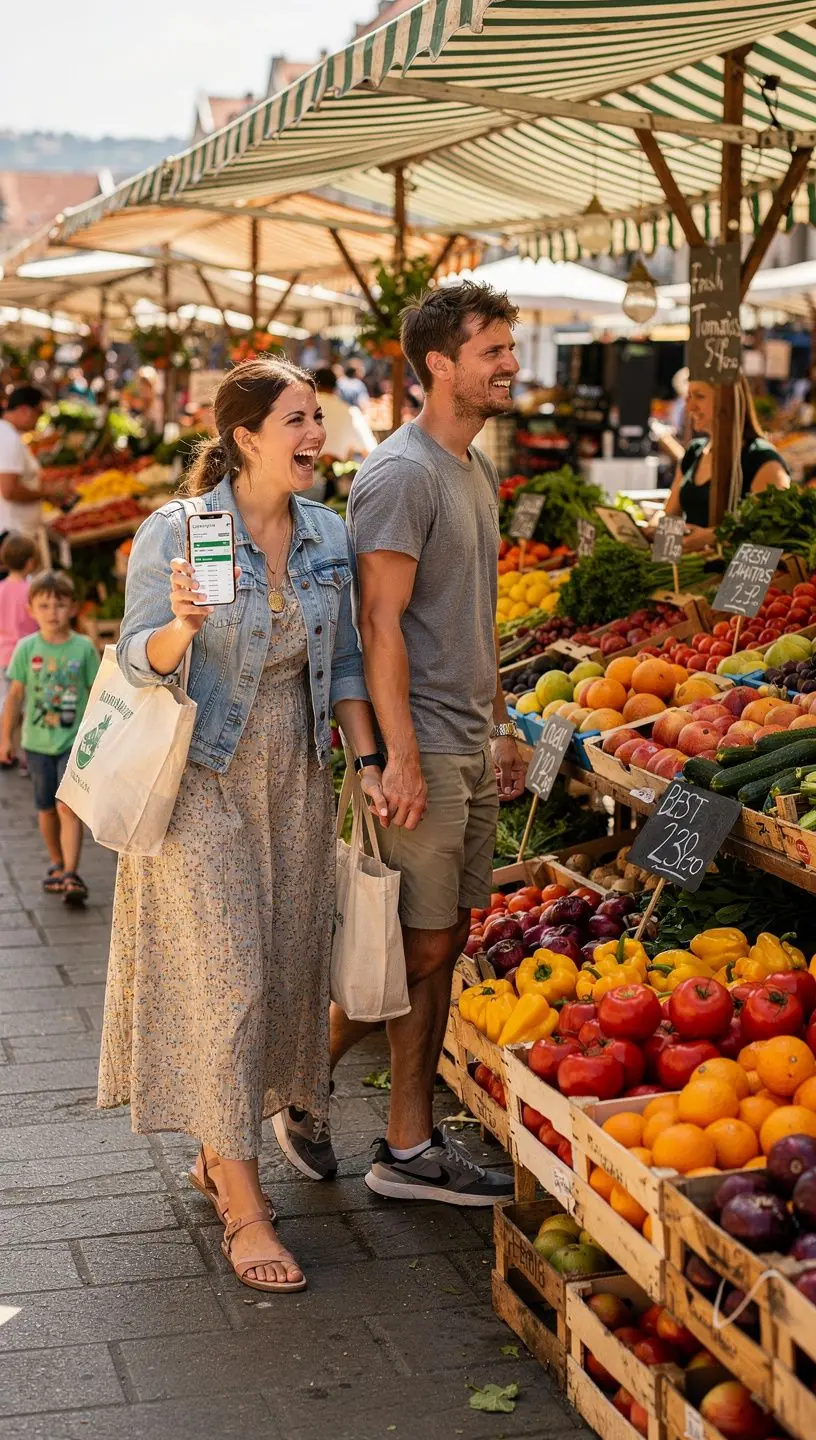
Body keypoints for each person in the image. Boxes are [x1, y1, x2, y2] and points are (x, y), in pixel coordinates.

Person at [98, 358, 388, 1295]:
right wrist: (181, 625)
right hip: (202, 780)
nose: (319, 437)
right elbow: (137, 660)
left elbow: (342, 662)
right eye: (300, 420)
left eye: (321, 419)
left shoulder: (328, 535)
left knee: (283, 968)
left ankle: (218, 1147)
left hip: (294, 778)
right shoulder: (179, 532)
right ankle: (245, 1205)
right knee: (232, 978)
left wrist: (368, 761)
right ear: (247, 437)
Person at [274, 281, 528, 1205]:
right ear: (438, 365)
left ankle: (407, 1146)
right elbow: (375, 625)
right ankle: (296, 1082)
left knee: (444, 943)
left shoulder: (474, 470)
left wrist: (496, 727)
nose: (509, 363)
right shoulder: (401, 472)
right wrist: (395, 756)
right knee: (411, 953)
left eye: (509, 346)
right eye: (492, 349)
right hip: (421, 748)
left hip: (467, 743)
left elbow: (474, 617)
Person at [0, 570, 98, 903]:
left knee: (66, 806)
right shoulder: (27, 649)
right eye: (44, 605)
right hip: (37, 743)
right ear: (31, 610)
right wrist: (5, 740)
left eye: (59, 604)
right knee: (45, 809)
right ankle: (56, 862)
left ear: (72, 608)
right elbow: (14, 696)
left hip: (75, 741)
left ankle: (72, 872)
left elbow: (97, 693)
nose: (52, 611)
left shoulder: (83, 648)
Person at [664, 374, 790, 551]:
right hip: (688, 571)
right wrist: (650, 533)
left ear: (729, 401)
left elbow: (770, 531)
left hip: (730, 576)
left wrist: (713, 537)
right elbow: (670, 516)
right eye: (689, 397)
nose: (690, 407)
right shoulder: (694, 452)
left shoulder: (761, 458)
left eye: (699, 396)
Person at [0, 533, 38, 770]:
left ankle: (5, 747)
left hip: (4, 655)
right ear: (30, 562)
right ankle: (27, 757)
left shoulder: (1, 589)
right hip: (29, 655)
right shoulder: (33, 589)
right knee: (29, 705)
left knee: (7, 702)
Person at [0, 386, 47, 546]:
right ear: (25, 410)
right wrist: (44, 493)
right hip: (14, 535)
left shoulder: (6, 433)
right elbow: (9, 490)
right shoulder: (8, 438)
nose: (39, 419)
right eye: (39, 413)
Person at [313, 368, 376, 461]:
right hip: (338, 471)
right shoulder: (350, 412)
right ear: (335, 387)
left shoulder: (303, 411)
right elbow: (371, 451)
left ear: (314, 386)